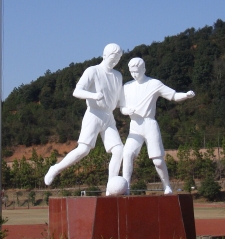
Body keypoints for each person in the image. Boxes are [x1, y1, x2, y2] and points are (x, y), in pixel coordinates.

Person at [44, 44, 125, 186]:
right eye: (113, 58)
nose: (115, 61)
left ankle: (111, 187)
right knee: (83, 150)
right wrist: (93, 95)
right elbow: (77, 91)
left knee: (119, 150)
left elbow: (118, 99)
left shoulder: (118, 76)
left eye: (118, 59)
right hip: (94, 114)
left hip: (108, 116)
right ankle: (55, 169)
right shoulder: (93, 71)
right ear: (105, 55)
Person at [120, 57, 195, 194]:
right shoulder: (127, 87)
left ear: (144, 69)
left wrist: (186, 95)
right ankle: (126, 187)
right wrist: (126, 111)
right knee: (127, 154)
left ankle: (167, 186)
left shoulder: (154, 84)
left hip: (149, 124)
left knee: (158, 161)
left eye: (137, 71)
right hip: (135, 125)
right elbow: (122, 107)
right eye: (132, 72)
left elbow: (173, 95)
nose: (134, 74)